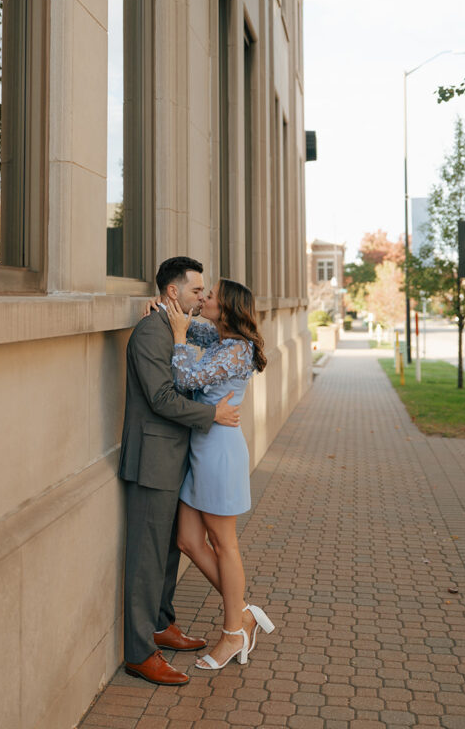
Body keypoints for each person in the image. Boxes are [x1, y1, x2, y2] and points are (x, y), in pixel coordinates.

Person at [119, 257, 241, 687]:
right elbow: (162, 398)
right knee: (146, 561)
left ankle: (161, 624)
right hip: (152, 462)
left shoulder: (182, 328)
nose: (203, 297)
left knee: (170, 551)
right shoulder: (150, 332)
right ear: (173, 292)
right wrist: (213, 415)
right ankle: (139, 652)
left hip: (178, 460)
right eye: (196, 291)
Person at [166, 278, 275, 671]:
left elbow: (184, 380)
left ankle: (233, 633)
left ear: (225, 309)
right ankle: (244, 612)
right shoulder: (219, 339)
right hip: (201, 449)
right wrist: (165, 307)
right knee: (189, 540)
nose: (203, 298)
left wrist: (179, 340)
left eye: (208, 295)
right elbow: (185, 322)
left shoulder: (236, 350)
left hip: (218, 454)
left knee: (224, 543)